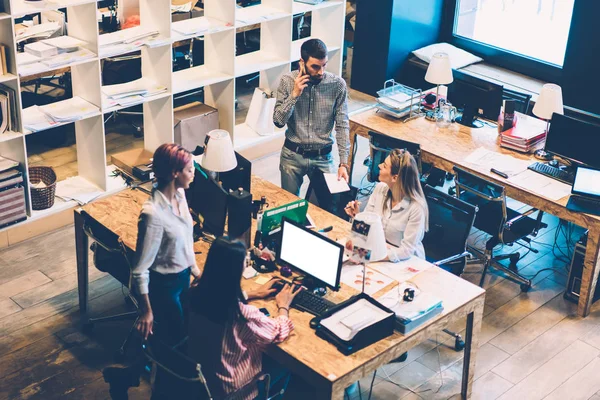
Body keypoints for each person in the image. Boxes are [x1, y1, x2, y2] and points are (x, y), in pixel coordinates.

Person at [189, 237, 301, 399]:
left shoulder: (195, 293)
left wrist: (255, 293)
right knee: (287, 365)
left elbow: (220, 295)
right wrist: (283, 307)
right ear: (236, 271)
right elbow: (277, 332)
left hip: (207, 381)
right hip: (237, 391)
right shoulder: (241, 314)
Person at [132, 143, 201, 345]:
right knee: (175, 338)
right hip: (165, 286)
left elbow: (186, 241)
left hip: (183, 277)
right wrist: (146, 311)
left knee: (186, 331)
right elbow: (140, 269)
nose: (193, 173)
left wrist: (196, 271)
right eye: (189, 170)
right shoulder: (152, 215)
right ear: (174, 173)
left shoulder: (180, 195)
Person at [273, 38, 350, 196]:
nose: (320, 72)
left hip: (323, 157)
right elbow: (278, 121)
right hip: (292, 156)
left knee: (330, 208)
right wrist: (294, 95)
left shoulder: (337, 85)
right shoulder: (287, 82)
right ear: (302, 62)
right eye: (315, 66)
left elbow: (342, 125)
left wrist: (343, 163)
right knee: (290, 207)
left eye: (324, 65)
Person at [345, 149, 428, 262]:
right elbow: (368, 231)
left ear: (395, 177)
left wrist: (364, 256)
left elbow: (406, 251)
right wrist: (357, 217)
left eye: (384, 166)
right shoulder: (380, 188)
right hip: (380, 250)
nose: (379, 166)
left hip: (404, 260)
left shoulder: (416, 208)